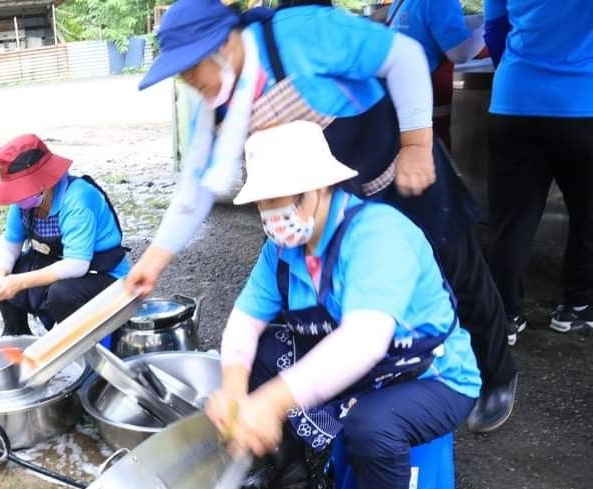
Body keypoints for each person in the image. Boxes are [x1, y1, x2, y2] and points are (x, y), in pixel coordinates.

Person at [129, 0, 515, 439]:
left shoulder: (299, 35)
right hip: (327, 205)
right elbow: (196, 187)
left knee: (458, 270)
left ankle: (496, 374)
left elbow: (404, 56)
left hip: (399, 170)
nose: (188, 81)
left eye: (190, 68)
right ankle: (382, 388)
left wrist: (416, 144)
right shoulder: (214, 104)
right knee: (348, 298)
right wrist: (153, 262)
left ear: (224, 45)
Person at [207, 121, 480, 489]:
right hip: (358, 370)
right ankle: (287, 467)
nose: (271, 215)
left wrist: (270, 402)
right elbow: (244, 322)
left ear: (320, 188)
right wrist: (232, 387)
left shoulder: (378, 235)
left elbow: (363, 342)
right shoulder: (282, 252)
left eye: (282, 199)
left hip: (431, 376)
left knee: (370, 426)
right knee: (260, 355)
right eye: (263, 203)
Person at [483, 0, 593, 339]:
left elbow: (494, 30)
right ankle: (578, 304)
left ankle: (504, 315)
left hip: (515, 101)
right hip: (584, 103)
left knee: (511, 219)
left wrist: (522, 74)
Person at [0, 134, 130, 335]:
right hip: (55, 264)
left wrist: (19, 282)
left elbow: (76, 265)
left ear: (46, 180)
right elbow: (9, 246)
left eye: (24, 188)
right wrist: (0, 275)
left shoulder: (78, 199)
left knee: (62, 294)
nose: (19, 197)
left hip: (102, 275)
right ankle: (17, 334)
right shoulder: (22, 203)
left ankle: (78, 345)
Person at [383, 0, 486, 149]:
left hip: (400, 96)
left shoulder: (403, 3)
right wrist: (488, 27)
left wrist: (481, 19)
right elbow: (460, 53)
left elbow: (435, 22)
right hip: (425, 102)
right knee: (433, 155)